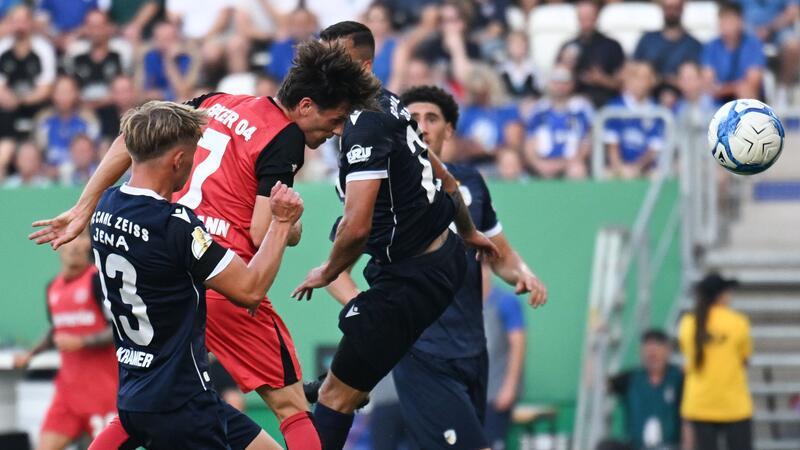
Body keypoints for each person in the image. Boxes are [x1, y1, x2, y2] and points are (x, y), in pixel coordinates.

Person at [30, 41, 382, 450]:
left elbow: (138, 134)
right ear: (304, 106)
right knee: (291, 407)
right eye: (335, 119)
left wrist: (83, 207)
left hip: (166, 272)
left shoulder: (216, 101)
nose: (337, 131)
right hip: (220, 276)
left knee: (154, 399)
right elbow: (260, 232)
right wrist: (291, 224)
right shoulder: (285, 137)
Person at [294, 22, 500, 450]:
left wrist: (326, 271)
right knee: (351, 368)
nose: (325, 72)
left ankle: (343, 384)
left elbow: (356, 227)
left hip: (412, 279)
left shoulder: (365, 123)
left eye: (336, 61)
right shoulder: (386, 102)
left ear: (363, 65)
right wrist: (468, 231)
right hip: (436, 258)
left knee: (335, 400)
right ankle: (350, 374)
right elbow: (442, 176)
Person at [80, 100, 302, 449]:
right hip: (180, 404)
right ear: (179, 160)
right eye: (194, 153)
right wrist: (282, 223)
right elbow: (250, 290)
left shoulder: (106, 206)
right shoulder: (175, 225)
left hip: (136, 395)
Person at [14, 231, 117, 450]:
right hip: (67, 394)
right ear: (57, 244)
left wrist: (83, 341)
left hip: (103, 393)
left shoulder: (99, 281)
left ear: (90, 243)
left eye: (82, 238)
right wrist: (30, 355)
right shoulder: (53, 287)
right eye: (71, 238)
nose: (75, 245)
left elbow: (119, 329)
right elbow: (56, 331)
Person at [678, 273, 753, 450]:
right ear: (721, 295)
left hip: (700, 403)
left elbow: (688, 354)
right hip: (733, 404)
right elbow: (745, 359)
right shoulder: (738, 322)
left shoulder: (688, 323)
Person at [609, 329, 683, 450]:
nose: (652, 357)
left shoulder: (678, 378)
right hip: (634, 446)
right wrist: (594, 348)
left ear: (668, 352)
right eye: (648, 354)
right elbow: (595, 385)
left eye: (656, 353)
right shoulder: (631, 378)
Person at [523, 65, 592, 179]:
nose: (560, 87)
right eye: (556, 82)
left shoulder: (581, 109)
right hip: (544, 163)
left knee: (577, 170)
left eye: (564, 82)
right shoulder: (539, 110)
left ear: (571, 84)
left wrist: (565, 163)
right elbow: (529, 142)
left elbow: (586, 142)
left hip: (571, 163)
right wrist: (539, 164)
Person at [484, 284, 527, 450]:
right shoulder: (462, 302)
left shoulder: (504, 301)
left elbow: (518, 344)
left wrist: (510, 386)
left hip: (495, 394)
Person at [557, 0, 625, 107]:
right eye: (582, 17)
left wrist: (602, 79)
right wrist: (567, 69)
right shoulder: (568, 47)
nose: (585, 21)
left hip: (606, 102)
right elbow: (556, 80)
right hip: (574, 103)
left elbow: (623, 84)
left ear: (597, 17)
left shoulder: (612, 46)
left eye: (589, 17)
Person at [604, 62, 665, 179]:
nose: (640, 83)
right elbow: (612, 145)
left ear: (652, 81)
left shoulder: (657, 111)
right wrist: (620, 168)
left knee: (658, 176)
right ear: (627, 81)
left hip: (646, 168)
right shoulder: (615, 107)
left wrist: (636, 167)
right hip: (618, 166)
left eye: (644, 78)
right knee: (605, 175)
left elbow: (654, 148)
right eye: (635, 78)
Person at [735, 0, 800, 103]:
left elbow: (793, 11)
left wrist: (769, 29)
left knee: (793, 46)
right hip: (747, 33)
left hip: (778, 31)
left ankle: (784, 90)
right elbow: (731, 12)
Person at [702, 2, 765, 103]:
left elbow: (753, 81)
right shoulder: (712, 46)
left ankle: (746, 117)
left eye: (730, 21)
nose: (725, 26)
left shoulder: (752, 44)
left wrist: (727, 88)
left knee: (746, 91)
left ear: (740, 22)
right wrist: (734, 87)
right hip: (719, 99)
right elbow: (708, 83)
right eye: (723, 21)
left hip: (743, 98)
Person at [34, 76, 100, 171]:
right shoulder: (44, 119)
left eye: (68, 92)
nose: (64, 97)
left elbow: (97, 150)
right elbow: (38, 152)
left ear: (76, 93)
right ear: (52, 94)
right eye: (60, 92)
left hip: (84, 174)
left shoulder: (88, 119)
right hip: (50, 175)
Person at [633, 0, 702, 91]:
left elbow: (699, 77)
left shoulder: (693, 44)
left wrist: (676, 81)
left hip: (684, 98)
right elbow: (633, 70)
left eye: (675, 8)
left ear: (682, 9)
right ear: (662, 9)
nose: (671, 12)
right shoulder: (647, 40)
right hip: (648, 96)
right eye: (668, 7)